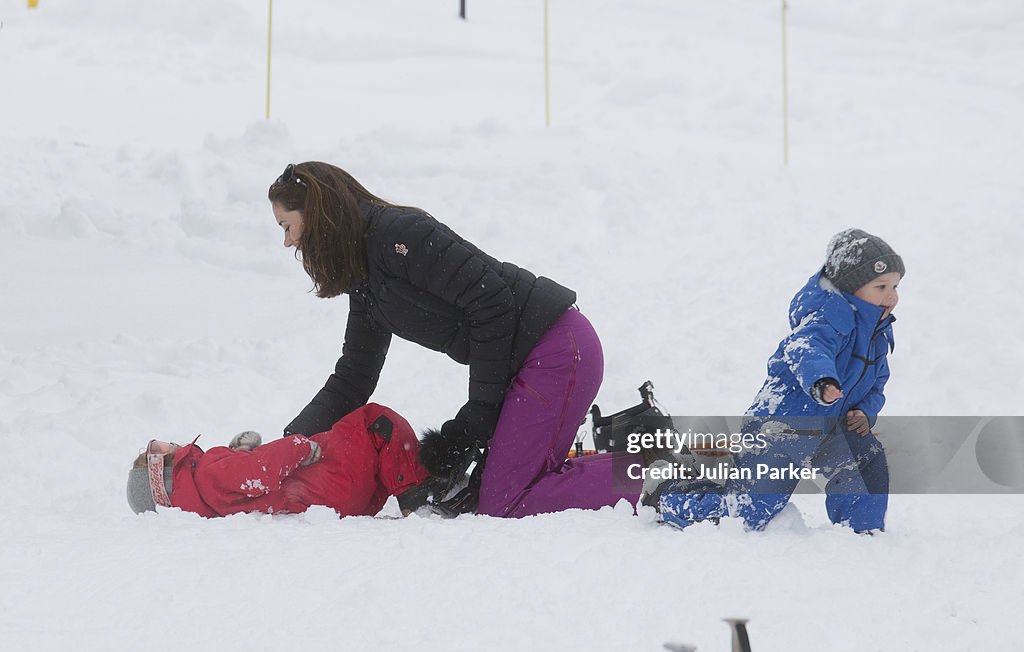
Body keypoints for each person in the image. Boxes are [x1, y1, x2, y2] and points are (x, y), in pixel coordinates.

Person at [268, 162, 642, 518]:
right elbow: (354, 376)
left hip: (557, 349)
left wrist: (479, 414)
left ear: (317, 215)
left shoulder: (398, 235)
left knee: (505, 499)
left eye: (287, 225)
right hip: (533, 358)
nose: (287, 242)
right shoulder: (366, 279)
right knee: (501, 486)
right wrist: (288, 444)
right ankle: (651, 455)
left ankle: (661, 474)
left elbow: (491, 300)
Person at [651, 229, 903, 533]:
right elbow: (806, 349)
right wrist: (822, 381)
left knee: (866, 460)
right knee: (749, 513)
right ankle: (668, 497)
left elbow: (877, 383)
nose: (892, 296)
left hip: (834, 425)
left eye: (895, 286)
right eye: (881, 286)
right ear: (851, 288)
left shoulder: (878, 331)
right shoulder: (828, 317)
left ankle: (863, 529)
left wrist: (865, 411)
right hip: (782, 427)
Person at [126, 403, 435, 518]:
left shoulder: (205, 501)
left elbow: (243, 484)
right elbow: (258, 473)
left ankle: (419, 479)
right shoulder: (206, 474)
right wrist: (298, 447)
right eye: (164, 450)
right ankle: (418, 492)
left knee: (364, 448)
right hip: (330, 482)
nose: (173, 446)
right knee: (374, 421)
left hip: (332, 502)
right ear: (165, 475)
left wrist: (239, 453)